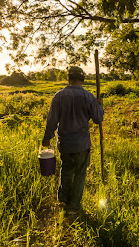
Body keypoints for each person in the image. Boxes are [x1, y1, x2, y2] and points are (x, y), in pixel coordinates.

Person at [42, 66, 104, 215]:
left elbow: (52, 120)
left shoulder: (58, 96)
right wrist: (99, 105)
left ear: (68, 79)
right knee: (80, 173)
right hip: (82, 143)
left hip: (65, 143)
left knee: (66, 169)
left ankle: (63, 199)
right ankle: (73, 206)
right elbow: (98, 118)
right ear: (82, 79)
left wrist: (46, 138)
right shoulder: (88, 97)